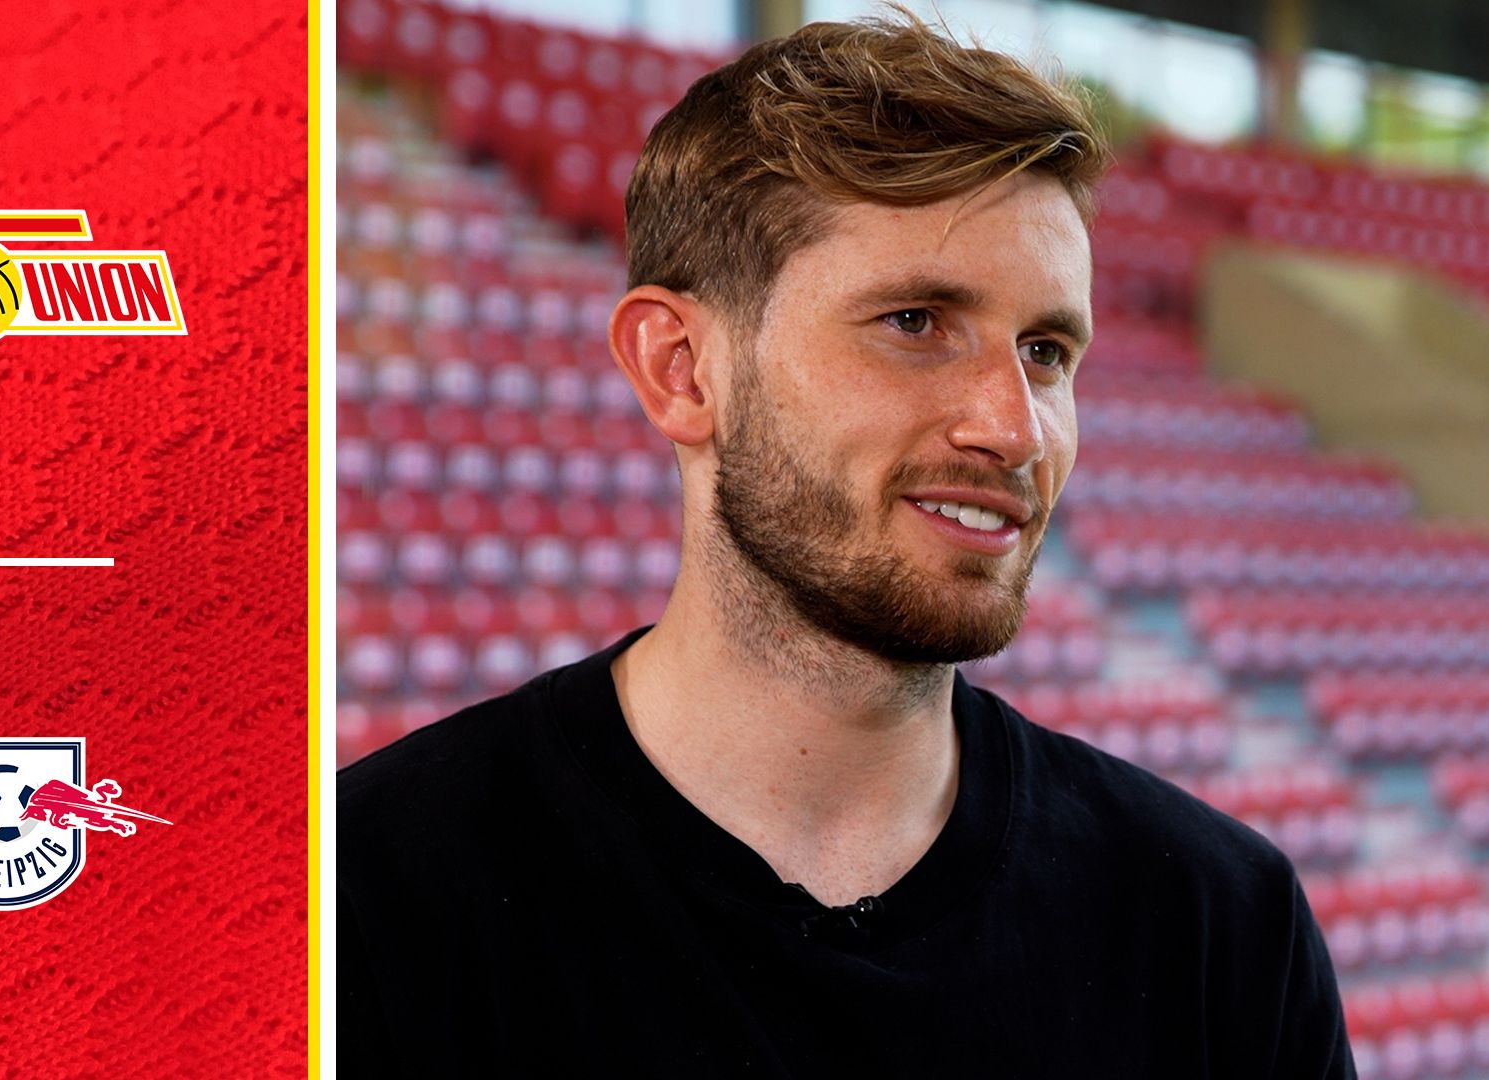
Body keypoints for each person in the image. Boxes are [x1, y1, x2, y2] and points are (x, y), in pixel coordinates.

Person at [342, 12, 1356, 1076]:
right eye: (915, 322)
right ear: (681, 368)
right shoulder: (368, 904)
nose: (1015, 430)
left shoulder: (1221, 926)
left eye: (1046, 351)